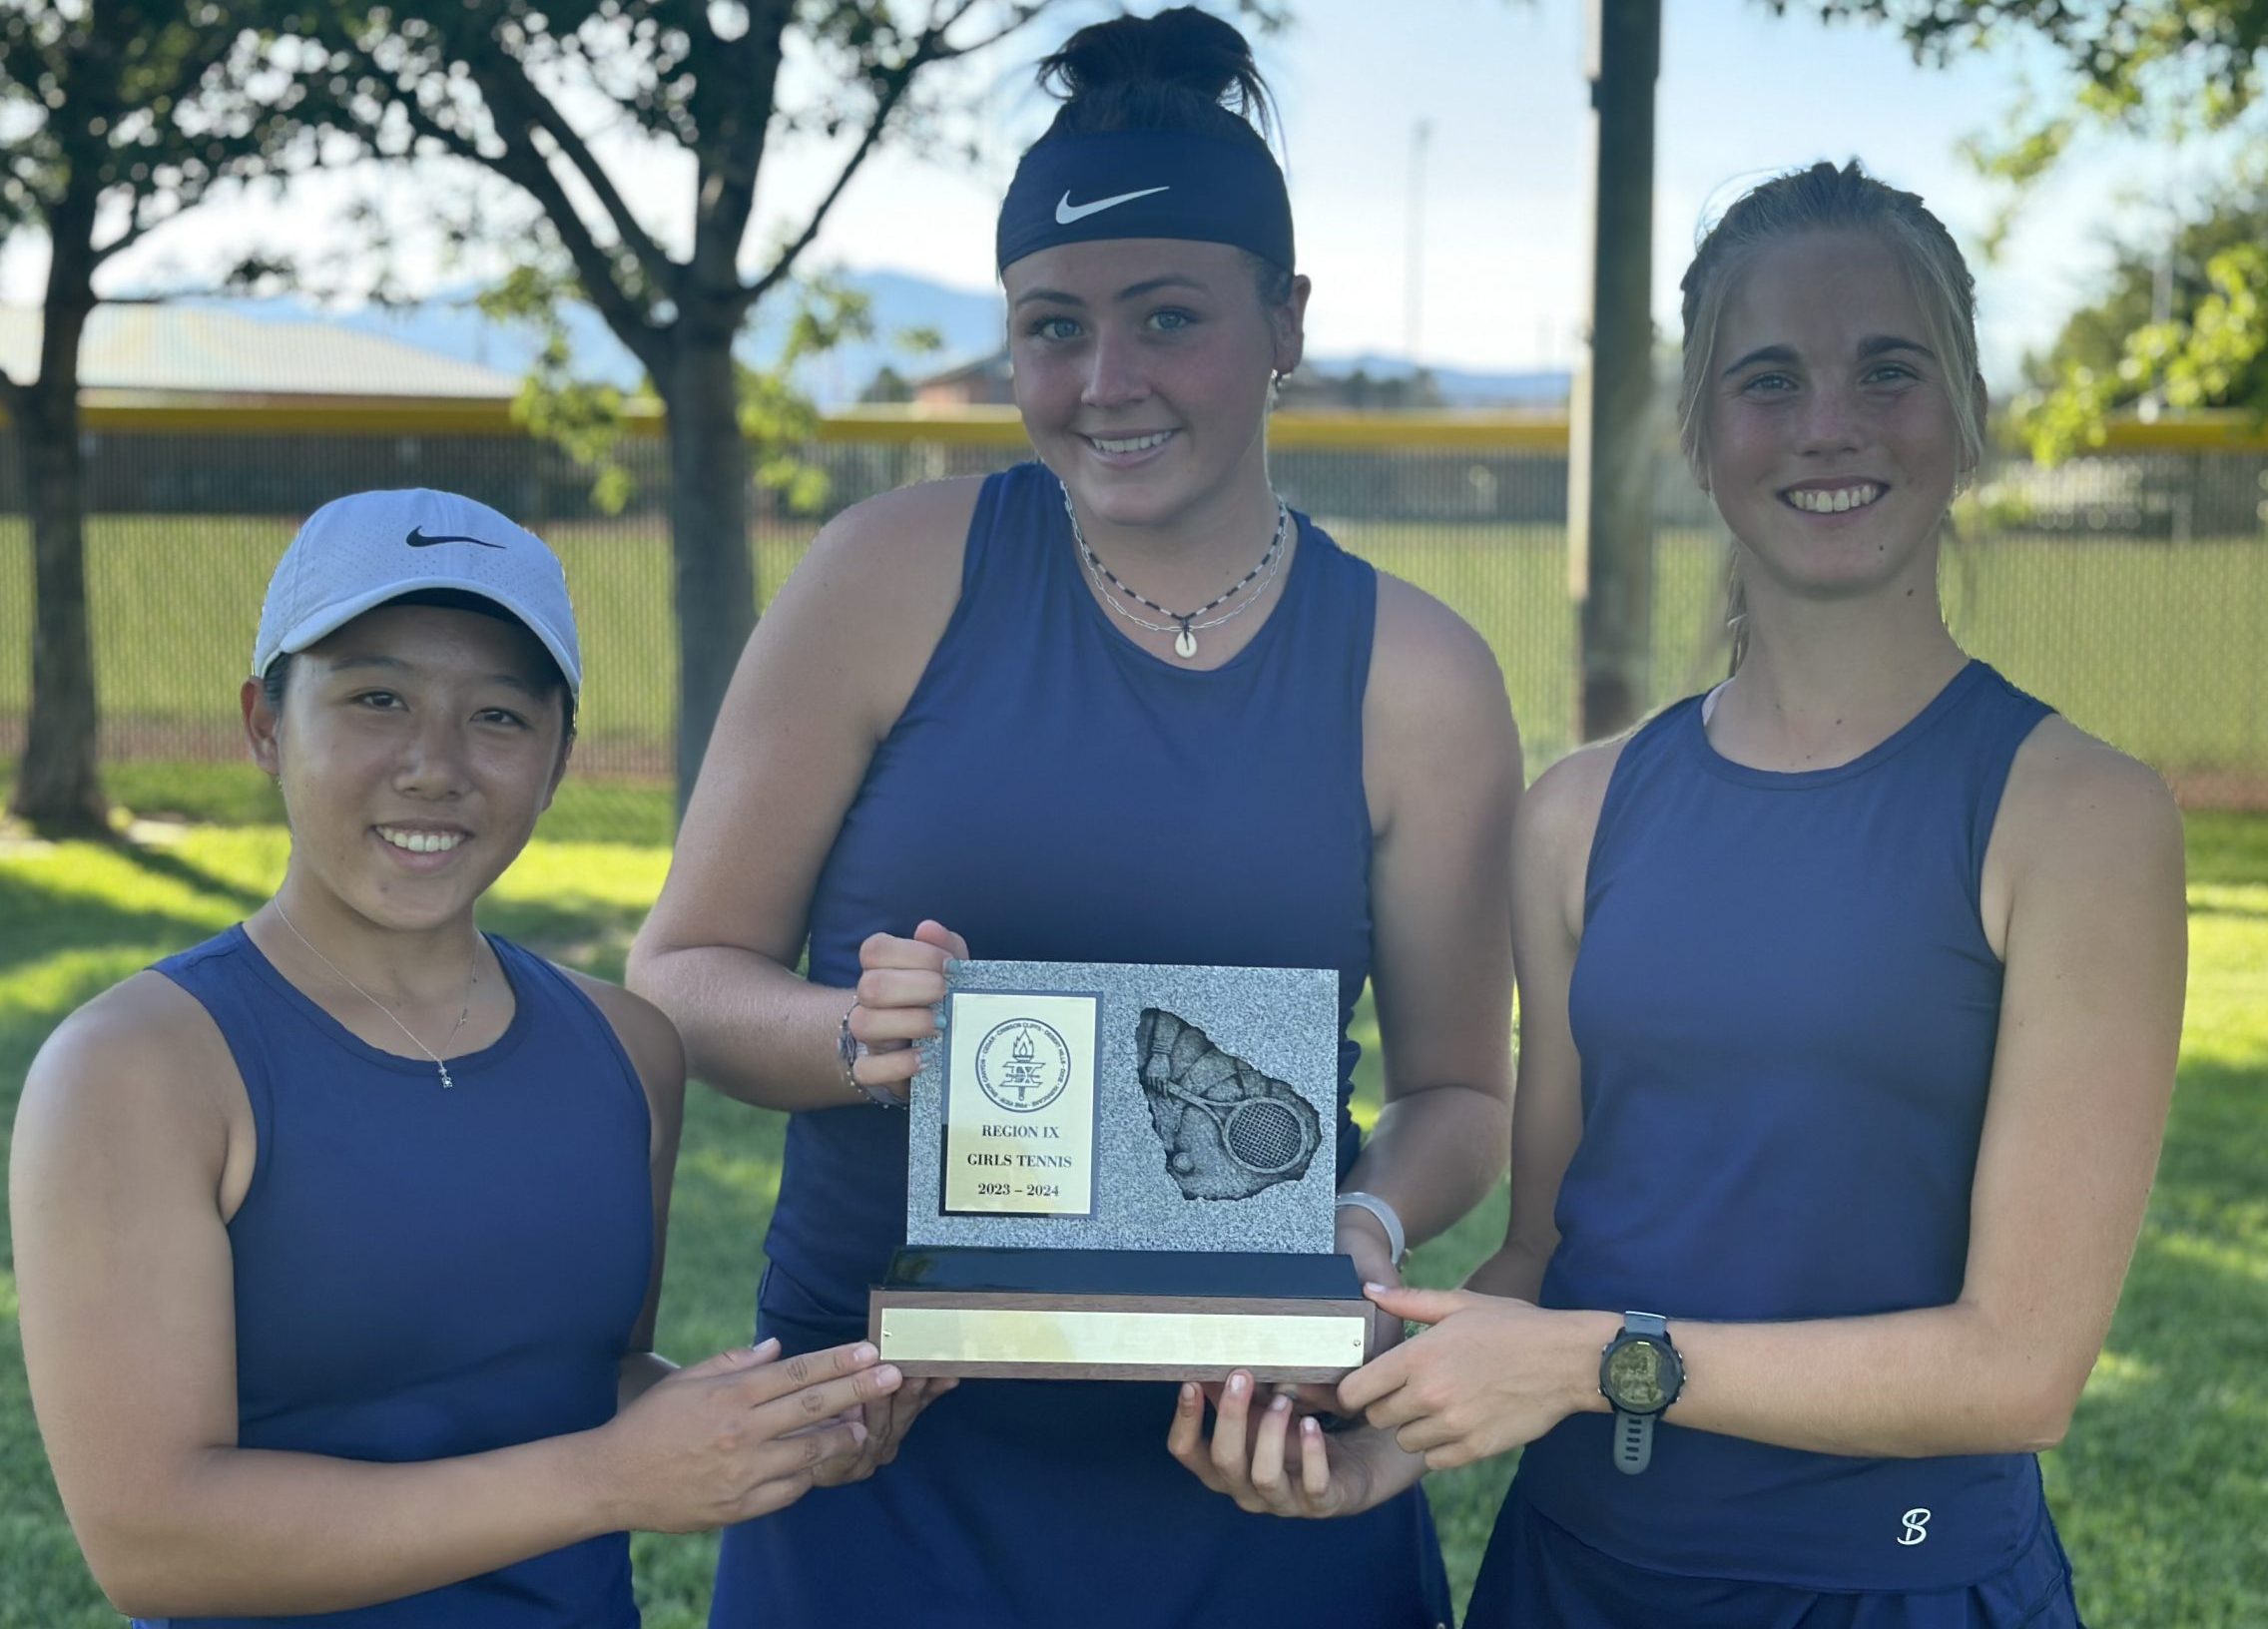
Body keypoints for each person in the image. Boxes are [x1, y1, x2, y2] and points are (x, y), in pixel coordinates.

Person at [1174, 159, 2188, 1626]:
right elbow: (1550, 1249)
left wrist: (1591, 1362)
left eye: (1886, 370)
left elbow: (2017, 1367)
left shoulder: (2078, 816)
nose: (1828, 424)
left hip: (1892, 1590)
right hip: (1575, 1576)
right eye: (1768, 380)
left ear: (1967, 414)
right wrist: (1381, 1446)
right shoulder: (1578, 814)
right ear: (1700, 436)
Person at [624, 10, 1518, 1626]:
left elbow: (1461, 1092)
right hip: (883, 1459)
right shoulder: (891, 574)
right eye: (1052, 327)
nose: (1105, 382)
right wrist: (854, 1036)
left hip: (1256, 1461)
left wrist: (1358, 1219)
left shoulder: (1418, 675)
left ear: (1284, 322)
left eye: (1166, 317)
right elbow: (679, 973)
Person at [10, 488, 902, 1628]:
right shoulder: (137, 1070)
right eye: (377, 699)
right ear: (264, 722)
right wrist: (612, 1481)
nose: (435, 767)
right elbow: (155, 1539)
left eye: (497, 717)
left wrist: (773, 1423)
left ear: (557, 756)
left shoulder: (626, 1049)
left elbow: (584, 1383)